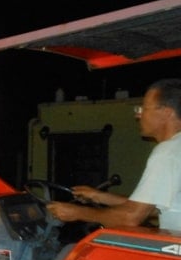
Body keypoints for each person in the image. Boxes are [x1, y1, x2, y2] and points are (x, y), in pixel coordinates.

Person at [48, 78, 181, 231]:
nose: (138, 116)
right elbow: (150, 208)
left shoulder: (167, 153)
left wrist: (77, 212)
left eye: (143, 109)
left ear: (166, 113)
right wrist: (98, 196)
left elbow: (131, 217)